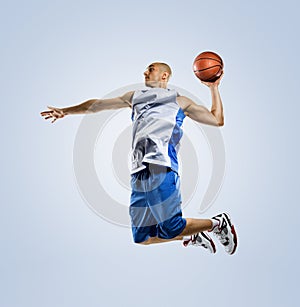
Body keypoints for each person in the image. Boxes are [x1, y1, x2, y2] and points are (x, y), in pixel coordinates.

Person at [41, 62, 237, 255]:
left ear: (164, 76)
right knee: (142, 237)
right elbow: (96, 105)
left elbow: (216, 119)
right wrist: (65, 111)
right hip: (138, 171)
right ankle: (191, 236)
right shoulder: (134, 97)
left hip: (162, 165)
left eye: (150, 69)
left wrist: (214, 87)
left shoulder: (180, 101)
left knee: (171, 226)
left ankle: (218, 223)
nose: (144, 72)